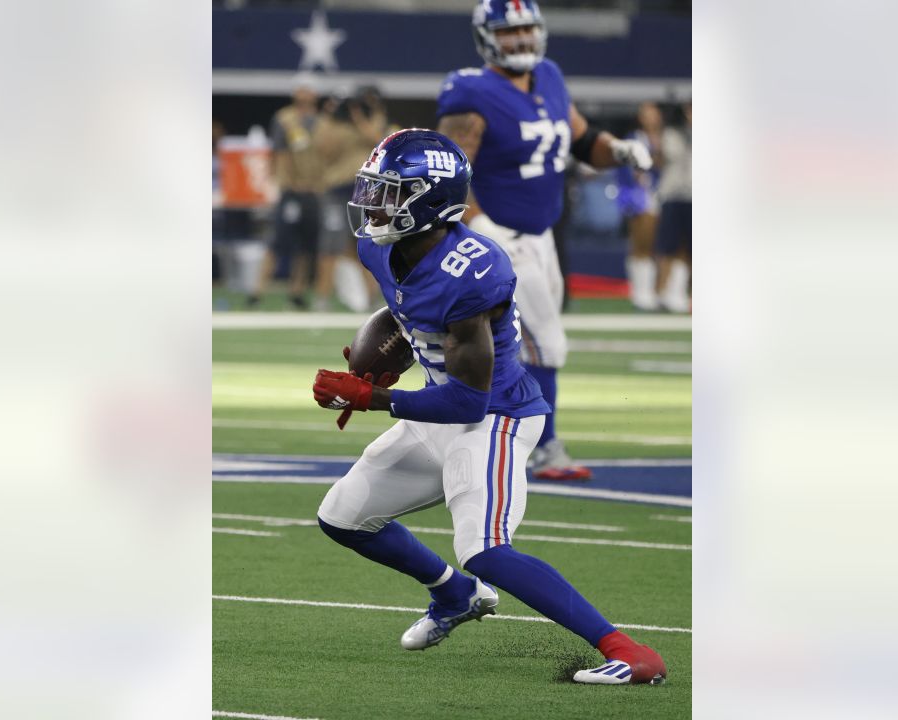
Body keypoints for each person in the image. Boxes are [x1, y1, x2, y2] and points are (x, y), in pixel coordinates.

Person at [311, 129, 666, 686]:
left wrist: (374, 397)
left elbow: (467, 398)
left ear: (431, 199)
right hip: (437, 409)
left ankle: (630, 651)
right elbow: (403, 310)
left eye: (390, 191)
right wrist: (378, 356)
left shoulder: (474, 271)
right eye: (373, 188)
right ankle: (454, 594)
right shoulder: (379, 246)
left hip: (492, 419)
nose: (374, 203)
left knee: (484, 548)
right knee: (342, 517)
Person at [435, 0, 653, 480]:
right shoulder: (471, 91)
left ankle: (486, 436)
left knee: (514, 347)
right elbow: (448, 171)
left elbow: (580, 138)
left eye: (528, 29)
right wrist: (477, 224)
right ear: (487, 37)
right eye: (510, 32)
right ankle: (544, 446)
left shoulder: (549, 76)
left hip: (542, 237)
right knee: (546, 346)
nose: (522, 40)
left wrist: (617, 149)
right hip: (499, 239)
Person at [314, 86, 390, 312]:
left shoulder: (376, 119)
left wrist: (360, 116)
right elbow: (322, 147)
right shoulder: (333, 123)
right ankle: (322, 298)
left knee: (369, 241)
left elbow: (377, 140)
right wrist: (330, 115)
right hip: (336, 188)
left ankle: (374, 298)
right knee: (330, 245)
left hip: (363, 187)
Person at [260, 75, 324, 310]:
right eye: (301, 90)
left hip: (314, 189)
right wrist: (284, 181)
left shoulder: (321, 122)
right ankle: (258, 291)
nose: (305, 94)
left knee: (306, 245)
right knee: (277, 240)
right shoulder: (285, 119)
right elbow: (279, 152)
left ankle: (296, 291)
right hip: (290, 189)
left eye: (309, 90)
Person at [618, 102, 666, 311]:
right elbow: (622, 165)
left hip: (666, 192)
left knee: (665, 244)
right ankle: (641, 291)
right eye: (646, 115)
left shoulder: (668, 137)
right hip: (640, 195)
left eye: (653, 115)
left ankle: (663, 291)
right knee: (641, 243)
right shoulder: (633, 138)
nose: (650, 119)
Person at [656, 101, 691, 313]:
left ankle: (682, 293)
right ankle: (663, 292)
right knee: (668, 246)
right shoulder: (673, 133)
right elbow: (672, 155)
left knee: (694, 249)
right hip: (673, 195)